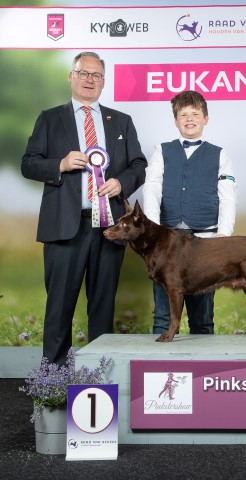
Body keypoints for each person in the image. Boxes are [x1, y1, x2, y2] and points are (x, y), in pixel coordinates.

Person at [21, 51, 147, 365]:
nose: (90, 80)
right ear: (71, 77)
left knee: (103, 306)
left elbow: (138, 165)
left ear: (104, 81)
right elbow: (28, 164)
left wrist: (120, 183)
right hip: (64, 226)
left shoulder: (121, 121)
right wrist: (60, 164)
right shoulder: (49, 118)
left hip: (109, 229)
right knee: (59, 307)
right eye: (83, 73)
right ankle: (53, 378)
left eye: (96, 75)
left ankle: (99, 376)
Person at [143, 90, 237, 336]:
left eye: (195, 114)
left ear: (206, 118)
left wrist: (224, 234)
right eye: (183, 115)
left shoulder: (220, 154)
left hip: (205, 242)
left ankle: (202, 357)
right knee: (163, 315)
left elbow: (227, 197)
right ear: (175, 120)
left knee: (203, 318)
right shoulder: (161, 150)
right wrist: (152, 227)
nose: (189, 119)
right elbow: (152, 187)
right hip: (168, 243)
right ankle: (158, 356)